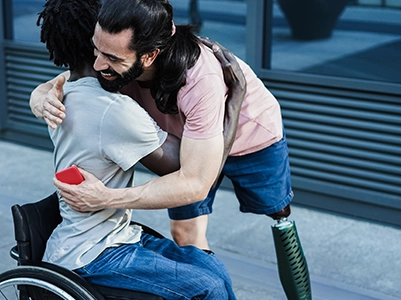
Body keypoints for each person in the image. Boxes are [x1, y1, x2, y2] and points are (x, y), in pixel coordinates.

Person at [31, 0, 295, 252]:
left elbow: (196, 183)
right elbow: (70, 77)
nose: (99, 65)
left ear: (149, 56)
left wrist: (105, 198)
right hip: (187, 145)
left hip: (250, 135)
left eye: (111, 57)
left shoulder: (200, 79)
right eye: (95, 50)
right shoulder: (116, 59)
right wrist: (41, 94)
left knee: (278, 215)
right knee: (184, 232)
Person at [35, 0, 235, 299]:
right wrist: (225, 108)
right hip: (92, 253)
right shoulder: (113, 110)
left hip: (107, 236)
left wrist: (37, 93)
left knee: (209, 266)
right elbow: (180, 167)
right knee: (210, 286)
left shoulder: (63, 94)